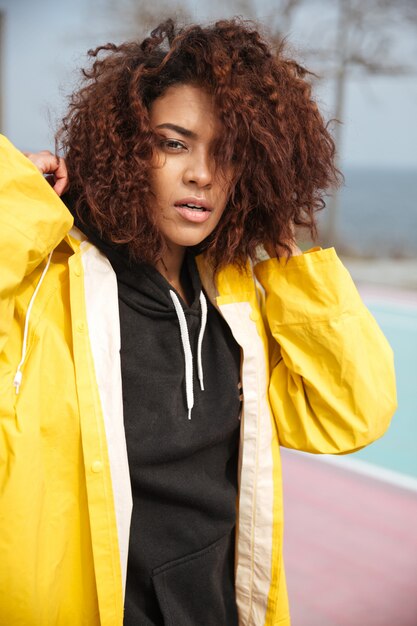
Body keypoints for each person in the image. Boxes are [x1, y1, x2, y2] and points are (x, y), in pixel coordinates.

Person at [0, 17, 396, 626]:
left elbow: (351, 413)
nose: (202, 174)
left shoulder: (236, 301)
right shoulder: (51, 290)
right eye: (174, 143)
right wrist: (19, 201)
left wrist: (288, 262)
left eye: (228, 152)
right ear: (125, 147)